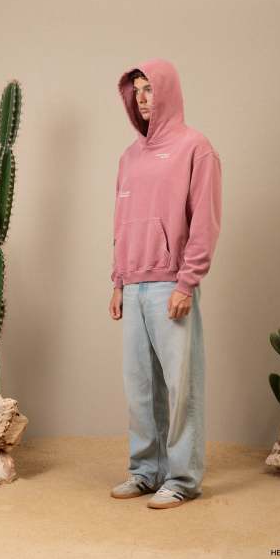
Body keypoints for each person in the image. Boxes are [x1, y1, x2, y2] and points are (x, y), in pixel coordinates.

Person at [108, 58, 222, 509]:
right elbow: (121, 222)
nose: (142, 98)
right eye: (136, 90)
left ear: (167, 91)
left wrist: (186, 282)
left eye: (149, 89)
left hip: (170, 283)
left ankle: (182, 479)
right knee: (140, 388)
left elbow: (205, 223)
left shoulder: (196, 148)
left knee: (180, 387)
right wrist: (118, 280)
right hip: (134, 284)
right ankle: (145, 471)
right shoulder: (129, 157)